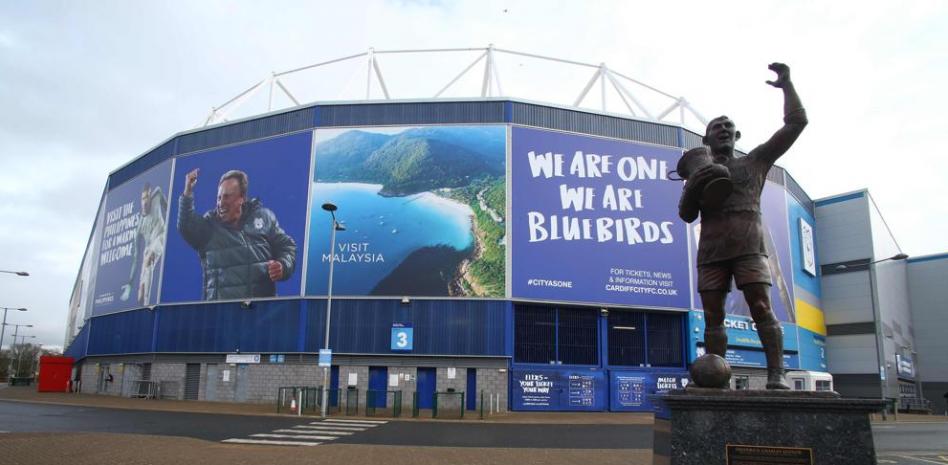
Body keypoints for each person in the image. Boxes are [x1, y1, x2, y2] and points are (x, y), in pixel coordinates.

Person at [679, 63, 807, 389]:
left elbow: (796, 123)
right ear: (705, 138)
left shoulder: (755, 162)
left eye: (729, 126)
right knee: (711, 317)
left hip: (749, 246)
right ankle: (716, 378)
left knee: (761, 307)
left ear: (737, 136)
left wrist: (788, 86)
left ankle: (777, 374)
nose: (723, 128)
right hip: (711, 250)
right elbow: (686, 214)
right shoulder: (699, 171)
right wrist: (694, 184)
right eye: (716, 126)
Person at [177, 168, 297, 300]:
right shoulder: (209, 226)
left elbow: (287, 247)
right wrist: (188, 192)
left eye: (227, 197)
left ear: (242, 198)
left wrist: (283, 266)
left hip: (261, 314)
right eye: (219, 197)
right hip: (221, 315)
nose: (221, 203)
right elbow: (186, 225)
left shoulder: (264, 218)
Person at [122, 183, 168, 306]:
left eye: (147, 197)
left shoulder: (157, 194)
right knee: (140, 290)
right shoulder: (140, 227)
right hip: (148, 248)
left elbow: (168, 208)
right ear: (140, 200)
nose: (145, 201)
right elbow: (136, 259)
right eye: (143, 198)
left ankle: (148, 304)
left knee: (148, 259)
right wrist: (130, 284)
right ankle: (142, 306)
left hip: (162, 236)